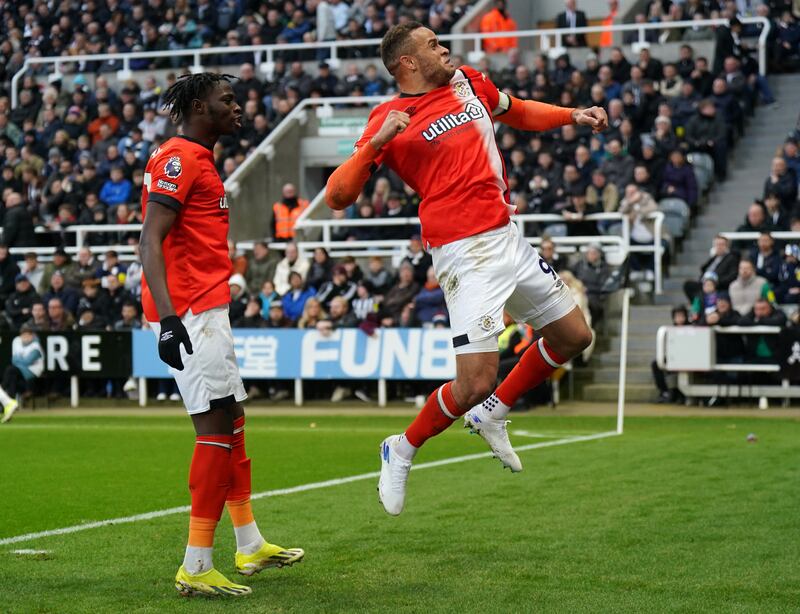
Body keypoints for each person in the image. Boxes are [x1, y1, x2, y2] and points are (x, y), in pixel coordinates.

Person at [325, 23, 605, 515]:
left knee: (574, 336)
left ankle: (494, 413)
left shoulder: (470, 81)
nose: (444, 48)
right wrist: (374, 145)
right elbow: (337, 197)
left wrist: (571, 116)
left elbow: (516, 111)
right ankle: (402, 447)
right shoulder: (389, 117)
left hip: (507, 236)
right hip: (463, 252)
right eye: (432, 45)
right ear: (407, 63)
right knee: (473, 382)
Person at [138, 73, 303, 597]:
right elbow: (150, 239)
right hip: (188, 311)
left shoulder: (199, 158)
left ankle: (249, 543)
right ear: (197, 106)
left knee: (232, 421)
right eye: (226, 100)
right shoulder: (181, 158)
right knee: (213, 427)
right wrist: (168, 319)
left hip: (206, 307)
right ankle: (196, 562)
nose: (238, 107)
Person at [0, 324, 43, 423]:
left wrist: (20, 360)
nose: (25, 338)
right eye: (23, 335)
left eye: (27, 335)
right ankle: (8, 404)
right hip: (19, 372)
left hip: (30, 375)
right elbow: (14, 360)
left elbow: (27, 361)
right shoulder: (16, 341)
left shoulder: (36, 346)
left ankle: (7, 400)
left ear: (32, 336)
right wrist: (21, 360)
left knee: (11, 371)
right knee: (12, 377)